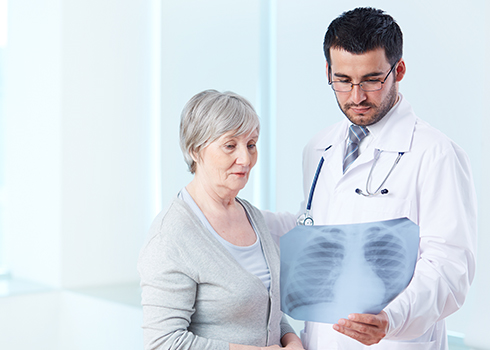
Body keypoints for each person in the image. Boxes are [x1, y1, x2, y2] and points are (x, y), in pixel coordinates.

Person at [291, 7, 477, 350]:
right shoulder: (318, 149)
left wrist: (393, 318)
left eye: (372, 80)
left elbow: (450, 268)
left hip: (395, 340)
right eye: (343, 81)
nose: (357, 96)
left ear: (399, 70)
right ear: (329, 72)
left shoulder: (435, 153)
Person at [138, 89, 304, 350]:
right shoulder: (170, 236)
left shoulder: (252, 215)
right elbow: (164, 343)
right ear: (195, 150)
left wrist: (291, 339)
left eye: (251, 144)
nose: (245, 159)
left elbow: (264, 310)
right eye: (230, 145)